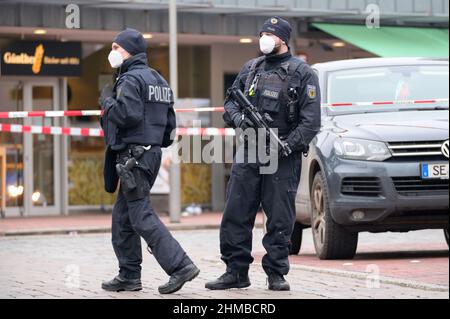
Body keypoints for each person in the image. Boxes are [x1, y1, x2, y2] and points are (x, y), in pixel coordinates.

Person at [206, 17, 321, 291]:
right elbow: (230, 103)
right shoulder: (251, 68)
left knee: (280, 216)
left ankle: (276, 274)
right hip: (249, 150)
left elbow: (311, 121)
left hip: (283, 155)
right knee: (236, 211)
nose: (265, 38)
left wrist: (287, 146)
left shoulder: (303, 73)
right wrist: (238, 120)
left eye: (270, 33)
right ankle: (235, 271)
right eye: (262, 33)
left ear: (283, 39)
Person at [98, 28, 200, 294]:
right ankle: (129, 275)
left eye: (116, 48)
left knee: (141, 215)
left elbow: (127, 115)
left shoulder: (130, 80)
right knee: (123, 218)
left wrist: (108, 103)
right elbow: (169, 128)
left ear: (129, 50)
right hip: (149, 154)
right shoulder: (158, 80)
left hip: (134, 157)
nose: (113, 53)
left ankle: (180, 266)